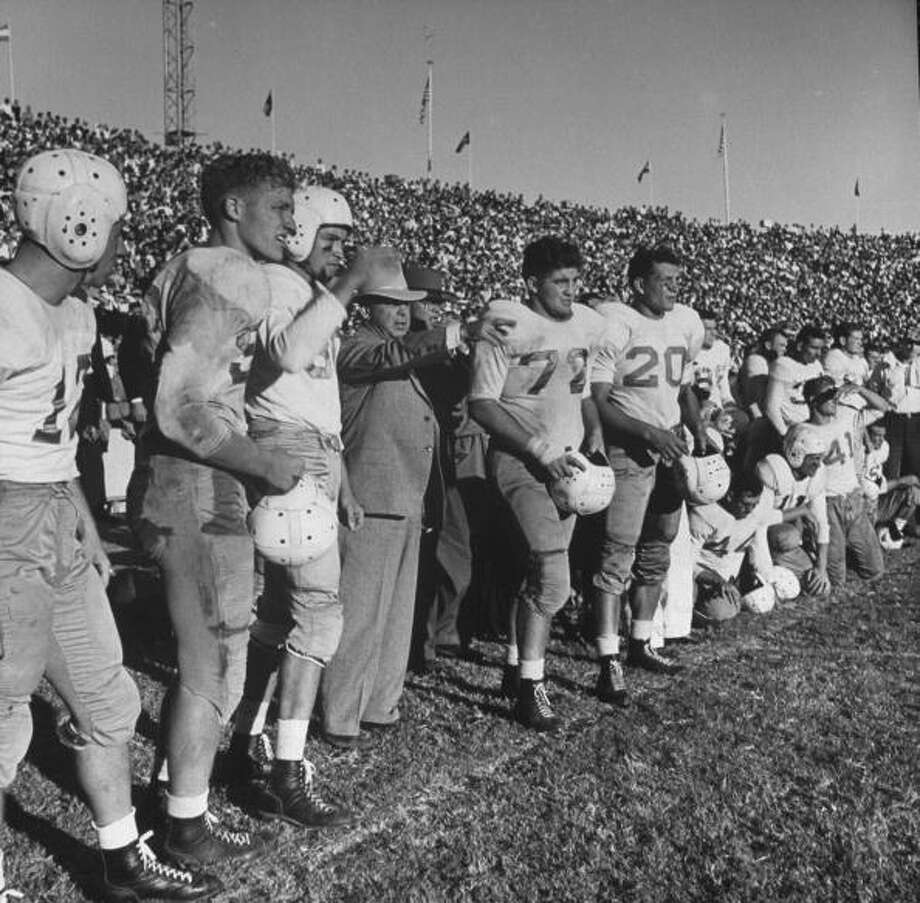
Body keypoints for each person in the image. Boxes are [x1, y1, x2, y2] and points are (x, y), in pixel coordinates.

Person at [0, 149, 220, 900]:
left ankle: (119, 860)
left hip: (53, 515)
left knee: (108, 701)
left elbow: (51, 441)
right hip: (5, 528)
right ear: (79, 222)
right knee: (3, 721)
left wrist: (83, 520)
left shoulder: (78, 312)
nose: (120, 244)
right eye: (116, 230)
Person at [128, 153, 304, 867]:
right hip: (194, 485)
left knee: (219, 656)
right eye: (280, 209)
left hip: (188, 484)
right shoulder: (226, 272)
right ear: (234, 208)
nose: (293, 225)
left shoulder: (185, 266)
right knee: (212, 662)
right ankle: (184, 825)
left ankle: (182, 796)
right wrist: (265, 464)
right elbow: (178, 406)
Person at [228, 186, 385, 827]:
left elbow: (317, 404)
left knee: (276, 614)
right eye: (328, 241)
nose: (338, 253)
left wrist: (342, 480)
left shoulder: (304, 290)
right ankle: (288, 771)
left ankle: (246, 739)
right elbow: (287, 356)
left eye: (343, 244)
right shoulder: (276, 282)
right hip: (287, 452)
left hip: (312, 451)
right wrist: (352, 282)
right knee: (319, 615)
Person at [320, 259, 508, 748]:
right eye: (391, 305)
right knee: (360, 615)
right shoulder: (356, 344)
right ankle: (341, 715)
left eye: (409, 306)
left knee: (397, 615)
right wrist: (452, 333)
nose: (404, 314)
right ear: (367, 306)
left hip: (409, 496)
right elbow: (391, 357)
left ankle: (381, 705)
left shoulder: (413, 354)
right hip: (370, 496)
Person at [469, 236, 608, 730]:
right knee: (553, 577)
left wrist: (592, 429)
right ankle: (531, 685)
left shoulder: (587, 324)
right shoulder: (505, 323)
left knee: (540, 572)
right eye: (560, 282)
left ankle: (513, 664)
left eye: (576, 280)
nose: (571, 291)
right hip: (520, 460)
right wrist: (540, 449)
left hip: (568, 464)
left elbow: (581, 388)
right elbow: (482, 404)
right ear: (531, 283)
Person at [590, 244, 707, 695]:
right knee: (617, 552)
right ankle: (608, 656)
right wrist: (648, 433)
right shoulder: (616, 322)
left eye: (678, 279)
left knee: (658, 544)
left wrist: (696, 426)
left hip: (669, 445)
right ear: (639, 283)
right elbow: (598, 401)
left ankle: (641, 639)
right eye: (665, 280)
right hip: (629, 448)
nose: (674, 288)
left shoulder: (684, 322)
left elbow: (684, 386)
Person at [801, 375, 888, 587]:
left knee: (875, 570)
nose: (835, 399)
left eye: (835, 394)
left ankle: (847, 550)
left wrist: (859, 389)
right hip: (827, 503)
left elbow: (883, 407)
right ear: (813, 400)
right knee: (836, 579)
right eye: (828, 395)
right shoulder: (803, 432)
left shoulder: (847, 415)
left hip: (853, 497)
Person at [755, 422, 832, 595]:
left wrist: (821, 568)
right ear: (795, 454)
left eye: (820, 458)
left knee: (822, 588)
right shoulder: (772, 469)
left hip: (786, 531)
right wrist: (801, 511)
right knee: (788, 536)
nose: (818, 465)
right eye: (814, 458)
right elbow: (759, 520)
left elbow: (822, 523)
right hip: (760, 534)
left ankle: (784, 567)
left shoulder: (817, 476)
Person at [860, 419, 920, 540]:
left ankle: (895, 530)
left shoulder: (884, 447)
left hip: (877, 503)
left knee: (913, 491)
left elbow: (879, 484)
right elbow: (870, 488)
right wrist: (900, 481)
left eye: (883, 435)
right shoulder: (857, 454)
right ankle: (873, 533)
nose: (881, 439)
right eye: (877, 435)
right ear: (866, 435)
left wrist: (906, 481)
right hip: (862, 508)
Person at [737, 326, 787, 419]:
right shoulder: (756, 361)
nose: (784, 349)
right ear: (768, 345)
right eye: (781, 345)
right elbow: (754, 400)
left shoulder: (770, 363)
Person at [691, 308, 734, 411]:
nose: (713, 333)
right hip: (698, 410)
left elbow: (722, 382)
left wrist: (729, 401)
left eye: (714, 328)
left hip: (720, 408)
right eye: (708, 329)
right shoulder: (689, 352)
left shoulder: (722, 349)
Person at [823, 322, 869, 387]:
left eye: (861, 339)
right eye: (856, 339)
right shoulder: (834, 358)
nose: (860, 343)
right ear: (843, 340)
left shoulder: (859, 358)